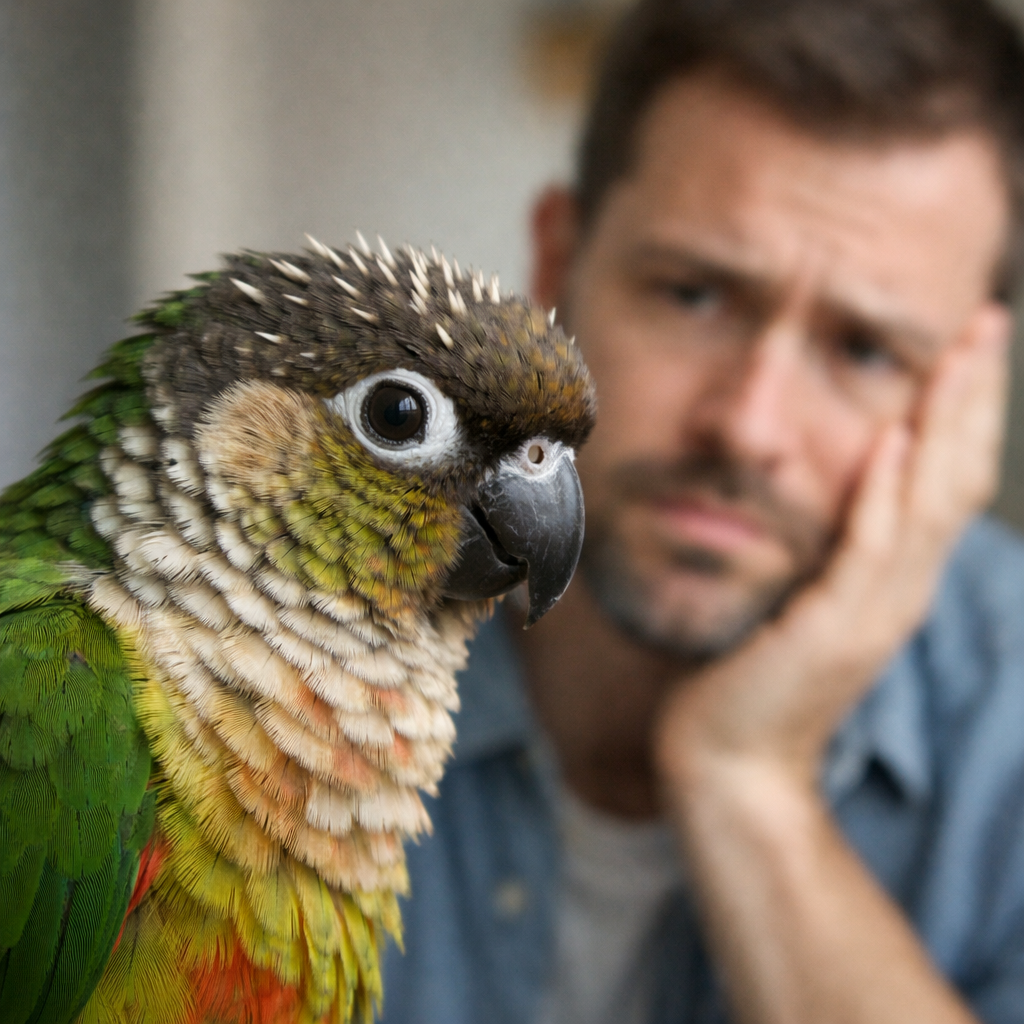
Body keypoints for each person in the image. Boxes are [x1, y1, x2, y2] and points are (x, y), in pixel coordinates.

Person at [381, 0, 1024, 1021]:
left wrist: (748, 780)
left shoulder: (1006, 715)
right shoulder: (254, 650)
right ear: (555, 269)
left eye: (862, 350)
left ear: (965, 394)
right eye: (691, 295)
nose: (748, 426)